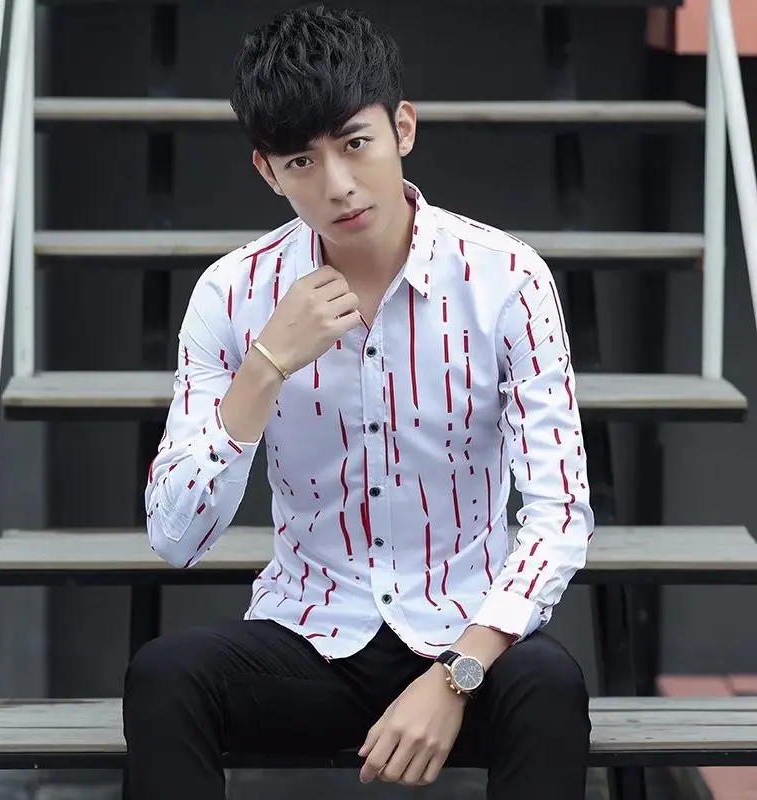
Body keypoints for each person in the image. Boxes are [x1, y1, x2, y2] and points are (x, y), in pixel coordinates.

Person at [122, 4, 595, 798]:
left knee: (549, 687)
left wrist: (458, 674)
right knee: (166, 677)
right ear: (267, 172)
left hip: (467, 635)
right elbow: (175, 537)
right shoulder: (232, 294)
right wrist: (267, 363)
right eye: (301, 161)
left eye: (354, 143)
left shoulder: (507, 280)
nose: (337, 185)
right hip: (309, 634)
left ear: (402, 128)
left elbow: (560, 513)